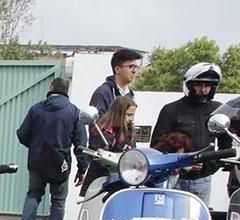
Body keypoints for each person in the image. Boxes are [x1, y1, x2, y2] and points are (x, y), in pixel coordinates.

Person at [16, 77, 89, 220]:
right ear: (67, 90)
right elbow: (81, 143)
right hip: (60, 164)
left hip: (36, 161)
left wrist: (35, 147)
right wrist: (82, 167)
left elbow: (22, 134)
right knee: (57, 202)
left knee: (33, 194)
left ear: (51, 87)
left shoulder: (37, 109)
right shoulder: (73, 112)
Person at [150, 62, 230, 205]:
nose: (203, 90)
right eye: (199, 85)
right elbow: (155, 147)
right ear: (189, 85)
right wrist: (181, 163)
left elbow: (225, 148)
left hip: (202, 180)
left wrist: (208, 165)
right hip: (174, 179)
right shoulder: (171, 110)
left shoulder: (218, 110)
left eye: (208, 85)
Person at [79, 95, 137, 195]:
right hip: (101, 182)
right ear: (119, 114)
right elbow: (97, 155)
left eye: (133, 115)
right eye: (128, 115)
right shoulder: (104, 132)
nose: (131, 119)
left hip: (122, 183)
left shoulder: (129, 132)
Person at [89, 49, 142, 117]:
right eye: (131, 67)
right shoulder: (103, 93)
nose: (134, 71)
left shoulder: (130, 95)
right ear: (117, 69)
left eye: (136, 67)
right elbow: (97, 125)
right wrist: (114, 127)